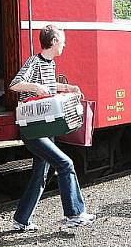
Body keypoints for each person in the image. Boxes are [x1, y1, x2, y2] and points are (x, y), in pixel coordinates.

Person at [9, 25, 95, 230]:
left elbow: (49, 85)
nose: (64, 44)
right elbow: (15, 84)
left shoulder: (50, 64)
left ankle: (21, 220)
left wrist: (68, 87)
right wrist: (35, 87)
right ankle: (75, 214)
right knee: (66, 164)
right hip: (33, 129)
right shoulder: (34, 62)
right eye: (63, 40)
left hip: (45, 128)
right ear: (54, 41)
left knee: (40, 175)